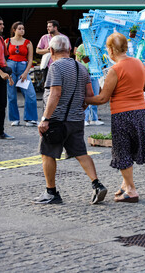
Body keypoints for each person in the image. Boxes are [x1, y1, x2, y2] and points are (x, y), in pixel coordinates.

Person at [35, 35, 107, 205]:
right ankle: (97, 184)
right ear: (68, 50)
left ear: (51, 51)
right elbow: (89, 96)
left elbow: (55, 93)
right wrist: (79, 109)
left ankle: (51, 192)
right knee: (81, 153)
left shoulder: (55, 67)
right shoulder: (82, 68)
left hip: (57, 120)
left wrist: (45, 119)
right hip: (76, 120)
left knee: (47, 154)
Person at [85, 33, 145, 203]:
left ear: (111, 49)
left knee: (122, 150)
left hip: (122, 113)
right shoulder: (138, 63)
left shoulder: (115, 70)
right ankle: (124, 185)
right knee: (129, 148)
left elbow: (102, 99)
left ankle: (131, 189)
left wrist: (83, 99)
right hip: (139, 112)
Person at [6, 22, 38, 127]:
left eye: (23, 28)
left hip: (22, 69)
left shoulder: (28, 43)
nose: (22, 30)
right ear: (14, 30)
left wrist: (25, 73)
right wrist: (6, 72)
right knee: (11, 95)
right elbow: (3, 57)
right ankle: (14, 118)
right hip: (10, 69)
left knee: (31, 94)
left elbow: (30, 60)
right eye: (19, 28)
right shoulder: (7, 41)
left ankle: (30, 118)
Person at [75, 40, 104, 126]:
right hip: (85, 73)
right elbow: (77, 60)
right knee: (86, 96)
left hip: (95, 74)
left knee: (95, 96)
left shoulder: (96, 47)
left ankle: (94, 118)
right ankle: (85, 118)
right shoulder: (81, 46)